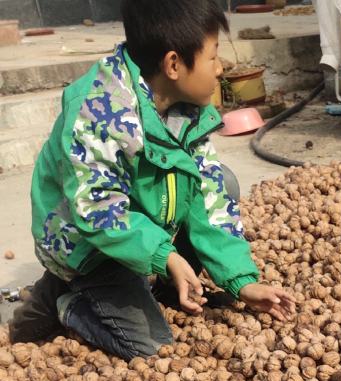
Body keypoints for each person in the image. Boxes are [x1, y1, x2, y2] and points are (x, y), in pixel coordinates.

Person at [10, 0, 295, 359]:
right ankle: (66, 301)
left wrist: (242, 281)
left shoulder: (189, 104)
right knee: (152, 350)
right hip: (87, 245)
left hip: (140, 221)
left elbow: (207, 191)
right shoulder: (99, 112)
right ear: (174, 64)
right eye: (213, 56)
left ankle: (161, 287)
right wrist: (168, 257)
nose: (221, 68)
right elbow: (98, 212)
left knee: (224, 181)